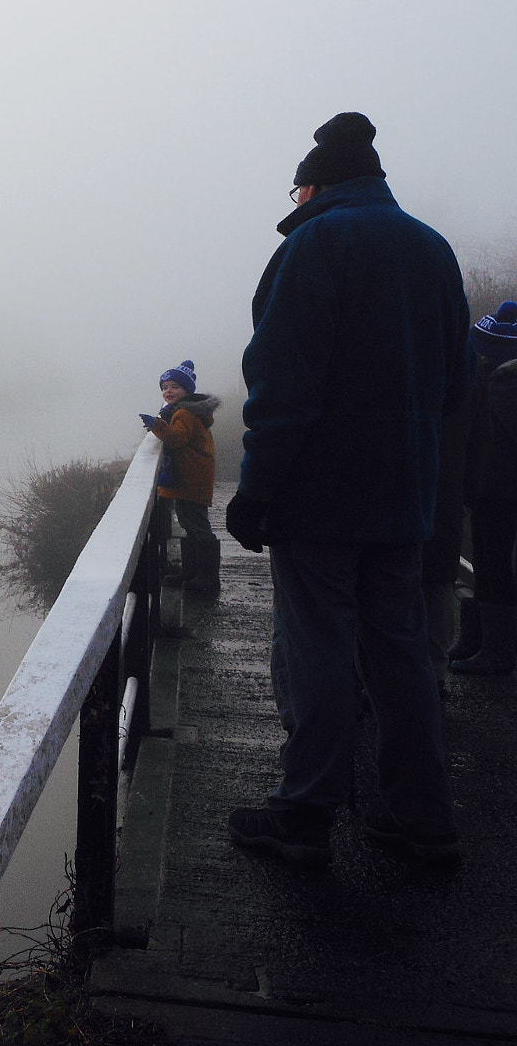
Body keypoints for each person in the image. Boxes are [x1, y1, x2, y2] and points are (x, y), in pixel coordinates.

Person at [223, 112, 471, 867]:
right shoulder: (431, 248)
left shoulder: (314, 245)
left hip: (320, 498)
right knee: (399, 651)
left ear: (314, 185)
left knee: (319, 648)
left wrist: (254, 493)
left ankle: (304, 816)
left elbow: (282, 385)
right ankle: (422, 820)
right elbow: (455, 383)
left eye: (296, 189)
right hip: (405, 496)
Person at [449, 301, 517, 674]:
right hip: (496, 485)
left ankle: (495, 652)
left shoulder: (502, 383)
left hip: (498, 488)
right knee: (487, 564)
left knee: (489, 564)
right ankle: (480, 642)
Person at [139, 360, 220, 592]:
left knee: (196, 524)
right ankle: (191, 572)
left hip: (191, 478)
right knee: (188, 522)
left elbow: (176, 439)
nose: (168, 391)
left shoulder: (184, 413)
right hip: (192, 476)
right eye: (164, 387)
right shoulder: (185, 410)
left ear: (186, 390)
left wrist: (157, 425)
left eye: (174, 386)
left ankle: (207, 578)